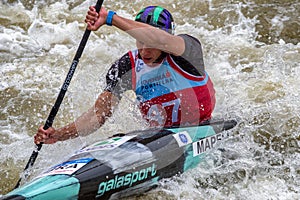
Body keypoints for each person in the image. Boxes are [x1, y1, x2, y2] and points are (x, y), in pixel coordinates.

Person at [34, 5, 215, 144]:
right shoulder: (127, 66)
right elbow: (98, 115)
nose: (144, 50)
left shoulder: (188, 52)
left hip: (200, 129)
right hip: (160, 139)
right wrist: (58, 134)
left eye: (149, 42)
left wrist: (110, 18)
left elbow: (160, 38)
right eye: (139, 41)